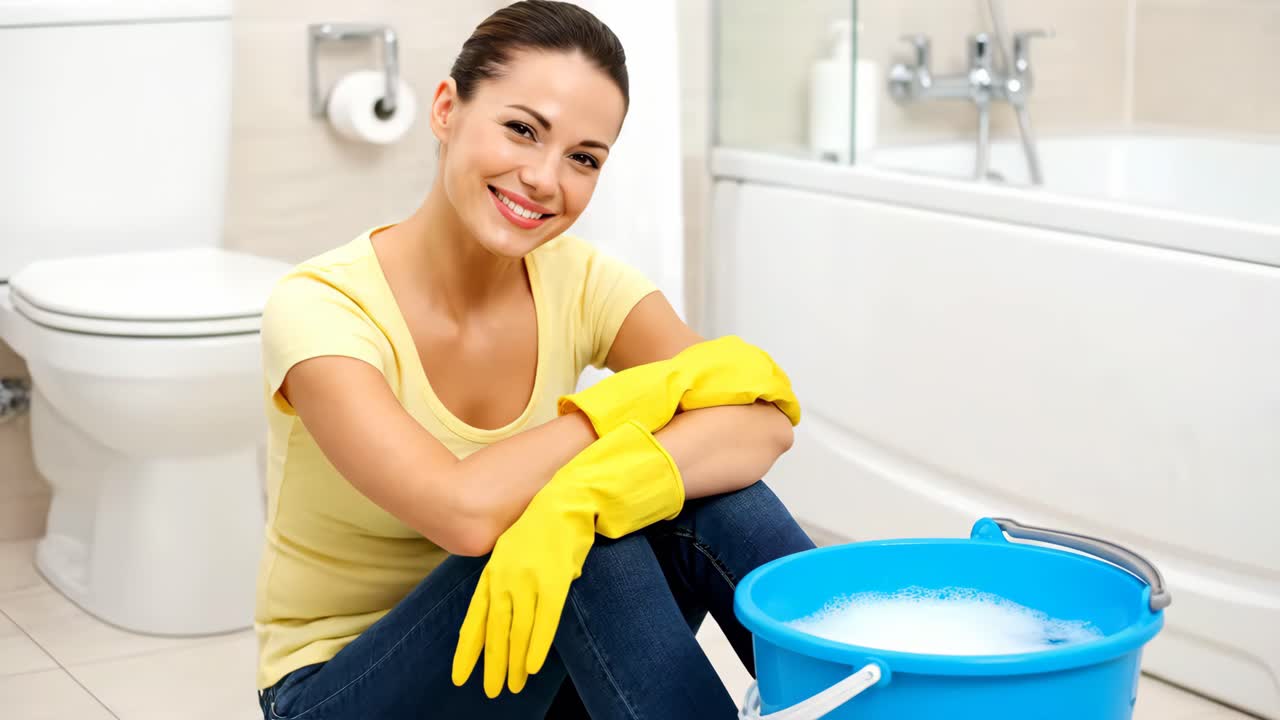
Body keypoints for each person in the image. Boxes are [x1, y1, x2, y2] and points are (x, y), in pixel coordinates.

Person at [253, 2, 815, 717]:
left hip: (527, 657)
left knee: (702, 496)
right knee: (582, 539)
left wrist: (589, 496)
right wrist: (615, 429)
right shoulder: (322, 307)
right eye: (522, 130)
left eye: (583, 158)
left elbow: (762, 424)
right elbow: (461, 512)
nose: (546, 179)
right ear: (447, 109)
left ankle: (867, 696)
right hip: (344, 689)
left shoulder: (582, 280)